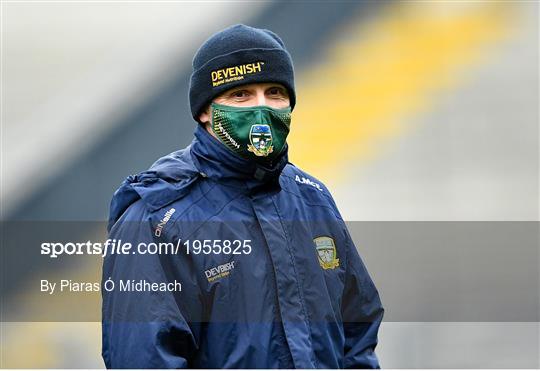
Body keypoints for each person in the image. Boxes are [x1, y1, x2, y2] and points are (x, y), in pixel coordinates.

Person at [102, 24, 384, 369]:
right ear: (205, 110)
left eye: (275, 92)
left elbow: (358, 331)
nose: (261, 108)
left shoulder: (312, 198)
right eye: (241, 95)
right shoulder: (155, 218)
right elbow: (144, 359)